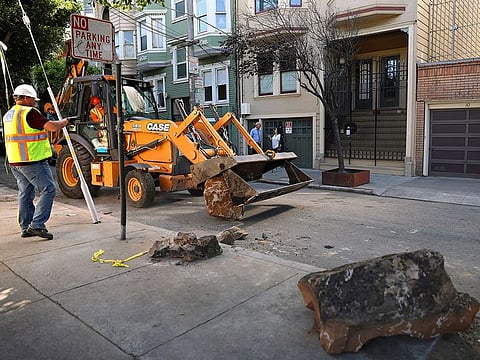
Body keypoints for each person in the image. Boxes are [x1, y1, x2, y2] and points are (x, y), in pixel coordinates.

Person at [3, 84, 70, 240]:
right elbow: (52, 127)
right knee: (49, 189)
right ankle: (37, 225)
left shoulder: (9, 114)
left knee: (25, 193)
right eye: (33, 99)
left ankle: (25, 227)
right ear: (26, 98)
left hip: (15, 161)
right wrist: (65, 121)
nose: (35, 102)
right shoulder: (29, 112)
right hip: (32, 160)